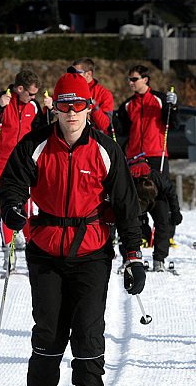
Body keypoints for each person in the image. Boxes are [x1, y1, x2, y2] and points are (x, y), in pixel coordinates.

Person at [0, 72, 144, 386]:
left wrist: (133, 255)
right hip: (45, 248)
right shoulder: (36, 144)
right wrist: (13, 209)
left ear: (89, 108)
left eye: (79, 105)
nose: (72, 113)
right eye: (65, 106)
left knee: (88, 330)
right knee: (48, 329)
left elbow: (127, 205)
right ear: (56, 108)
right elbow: (11, 182)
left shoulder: (105, 149)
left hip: (91, 250)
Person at [0, 69, 52, 269]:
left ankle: (31, 248)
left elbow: (41, 134)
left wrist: (49, 112)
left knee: (27, 207)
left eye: (35, 95)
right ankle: (8, 250)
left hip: (24, 162)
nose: (32, 98)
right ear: (19, 89)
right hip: (1, 160)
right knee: (8, 206)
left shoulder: (34, 106)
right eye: (30, 94)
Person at [114, 64, 178, 246]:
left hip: (157, 154)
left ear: (145, 79)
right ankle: (143, 233)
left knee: (160, 195)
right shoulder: (127, 104)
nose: (130, 83)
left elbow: (172, 123)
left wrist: (173, 106)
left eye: (134, 79)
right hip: (135, 156)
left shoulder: (159, 99)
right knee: (137, 196)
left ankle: (167, 233)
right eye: (129, 79)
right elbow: (121, 131)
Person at [127, 153, 182, 271]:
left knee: (163, 223)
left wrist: (175, 212)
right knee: (133, 224)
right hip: (136, 197)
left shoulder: (159, 180)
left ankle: (159, 259)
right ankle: (130, 258)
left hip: (159, 198)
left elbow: (171, 193)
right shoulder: (129, 183)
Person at [69, 58, 114, 135]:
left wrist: (94, 105)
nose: (73, 76)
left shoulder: (104, 94)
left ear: (88, 74)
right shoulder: (69, 90)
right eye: (72, 73)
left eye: (77, 73)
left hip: (95, 140)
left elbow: (104, 125)